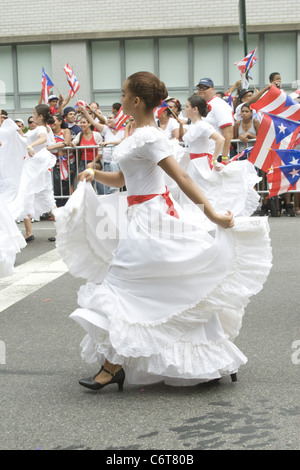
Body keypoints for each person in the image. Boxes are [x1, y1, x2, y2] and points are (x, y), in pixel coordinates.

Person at [54, 71, 272, 392]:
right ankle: (207, 356)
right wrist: (94, 173)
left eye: (125, 93)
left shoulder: (151, 137)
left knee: (123, 284)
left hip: (153, 218)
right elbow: (124, 181)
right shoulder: (135, 135)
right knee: (170, 287)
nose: (122, 98)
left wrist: (211, 214)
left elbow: (182, 177)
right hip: (139, 216)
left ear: (137, 100)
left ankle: (113, 367)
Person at [7, 104, 57, 241]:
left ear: (40, 116)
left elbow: (43, 139)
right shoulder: (41, 128)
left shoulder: (41, 128)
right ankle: (29, 232)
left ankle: (61, 230)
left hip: (37, 166)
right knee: (39, 196)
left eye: (34, 113)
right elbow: (26, 137)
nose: (33, 115)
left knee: (28, 193)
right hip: (37, 166)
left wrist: (30, 146)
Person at [196, 78, 234, 163]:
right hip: (202, 154)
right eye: (199, 88)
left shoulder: (219, 105)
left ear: (212, 89)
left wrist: (225, 157)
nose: (201, 90)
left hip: (216, 155)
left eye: (205, 87)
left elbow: (227, 132)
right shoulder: (200, 105)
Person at [47, 113, 72, 208]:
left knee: (66, 188)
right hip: (53, 165)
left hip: (67, 163)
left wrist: (52, 147)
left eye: (53, 121)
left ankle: (66, 209)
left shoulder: (65, 131)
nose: (52, 123)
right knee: (55, 189)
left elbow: (66, 142)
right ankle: (56, 209)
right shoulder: (49, 134)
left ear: (60, 121)